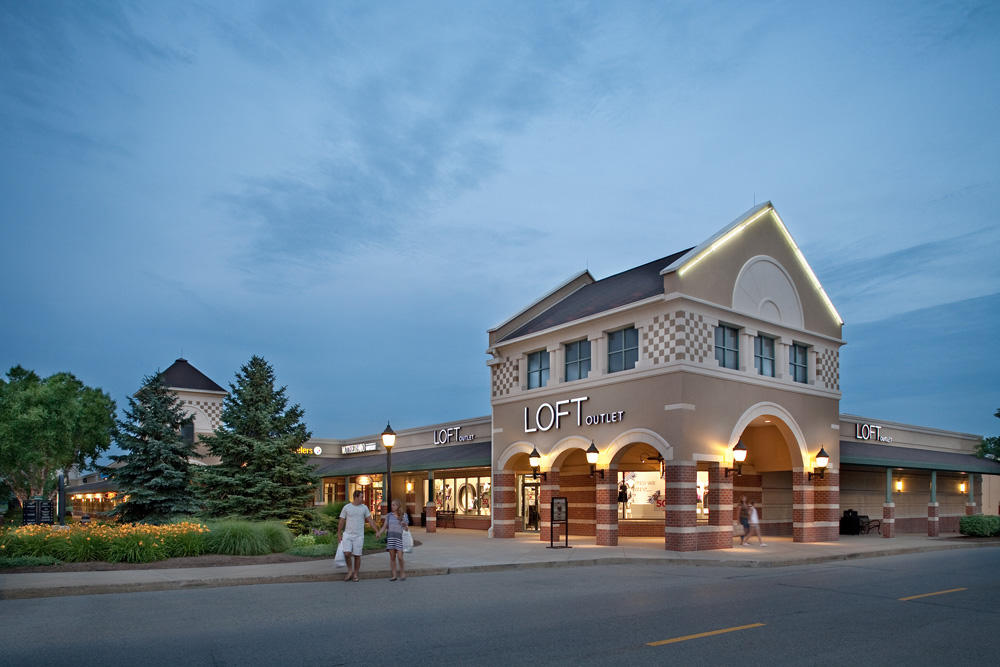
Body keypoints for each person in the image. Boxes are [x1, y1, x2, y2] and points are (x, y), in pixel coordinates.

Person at [338, 490, 379, 581]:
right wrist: (339, 533)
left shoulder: (364, 508)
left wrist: (377, 531)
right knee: (347, 553)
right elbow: (341, 520)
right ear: (356, 497)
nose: (363, 499)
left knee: (357, 555)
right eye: (361, 497)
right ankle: (350, 570)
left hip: (359, 536)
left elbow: (370, 520)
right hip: (347, 535)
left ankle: (355, 574)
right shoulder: (347, 507)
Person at [375, 499, 410, 581]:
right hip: (391, 538)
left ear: (398, 506)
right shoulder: (389, 515)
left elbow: (406, 529)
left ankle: (402, 572)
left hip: (399, 538)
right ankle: (394, 575)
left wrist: (405, 525)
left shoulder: (404, 515)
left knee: (400, 557)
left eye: (394, 505)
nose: (392, 506)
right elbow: (384, 526)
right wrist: (379, 533)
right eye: (392, 505)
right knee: (392, 557)